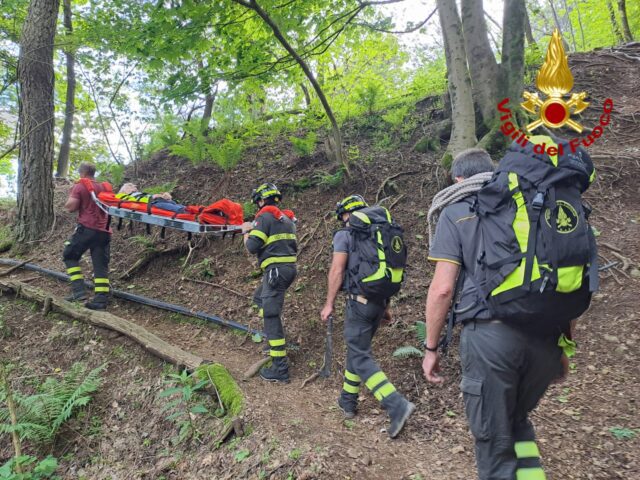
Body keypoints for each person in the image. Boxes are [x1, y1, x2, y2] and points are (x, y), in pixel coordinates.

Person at [422, 145, 583, 480]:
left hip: (491, 340)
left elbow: (442, 289)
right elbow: (558, 277)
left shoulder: (457, 210)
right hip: (546, 338)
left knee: (494, 445)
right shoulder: (532, 205)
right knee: (517, 422)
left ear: (457, 177)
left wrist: (431, 347)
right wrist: (563, 347)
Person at [320, 195, 415, 439]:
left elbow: (338, 269)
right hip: (379, 301)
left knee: (360, 356)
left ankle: (396, 404)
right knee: (358, 350)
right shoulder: (380, 231)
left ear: (345, 214)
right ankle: (348, 401)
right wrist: (386, 307)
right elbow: (386, 269)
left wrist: (329, 303)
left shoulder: (347, 234)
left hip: (359, 304)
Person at [242, 183, 297, 383]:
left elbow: (252, 246)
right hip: (286, 270)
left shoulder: (265, 217)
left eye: (258, 201)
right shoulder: (287, 219)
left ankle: (280, 367)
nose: (258, 205)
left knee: (271, 315)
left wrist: (246, 231)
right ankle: (272, 342)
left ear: (262, 200)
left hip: (275, 272)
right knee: (260, 299)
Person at [63, 163, 112, 310]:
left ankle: (79, 291)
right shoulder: (104, 187)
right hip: (104, 231)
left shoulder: (80, 186)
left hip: (87, 230)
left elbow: (71, 207)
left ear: (82, 173)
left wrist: (71, 194)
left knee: (69, 255)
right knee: (100, 265)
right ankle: (100, 300)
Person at [115, 183, 186, 214]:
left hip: (155, 200)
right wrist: (153, 197)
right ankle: (183, 211)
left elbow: (146, 197)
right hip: (153, 203)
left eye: (134, 187)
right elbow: (135, 200)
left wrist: (163, 196)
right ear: (125, 189)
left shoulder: (138, 194)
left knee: (172, 203)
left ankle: (189, 209)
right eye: (131, 186)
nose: (135, 188)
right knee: (165, 205)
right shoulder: (123, 196)